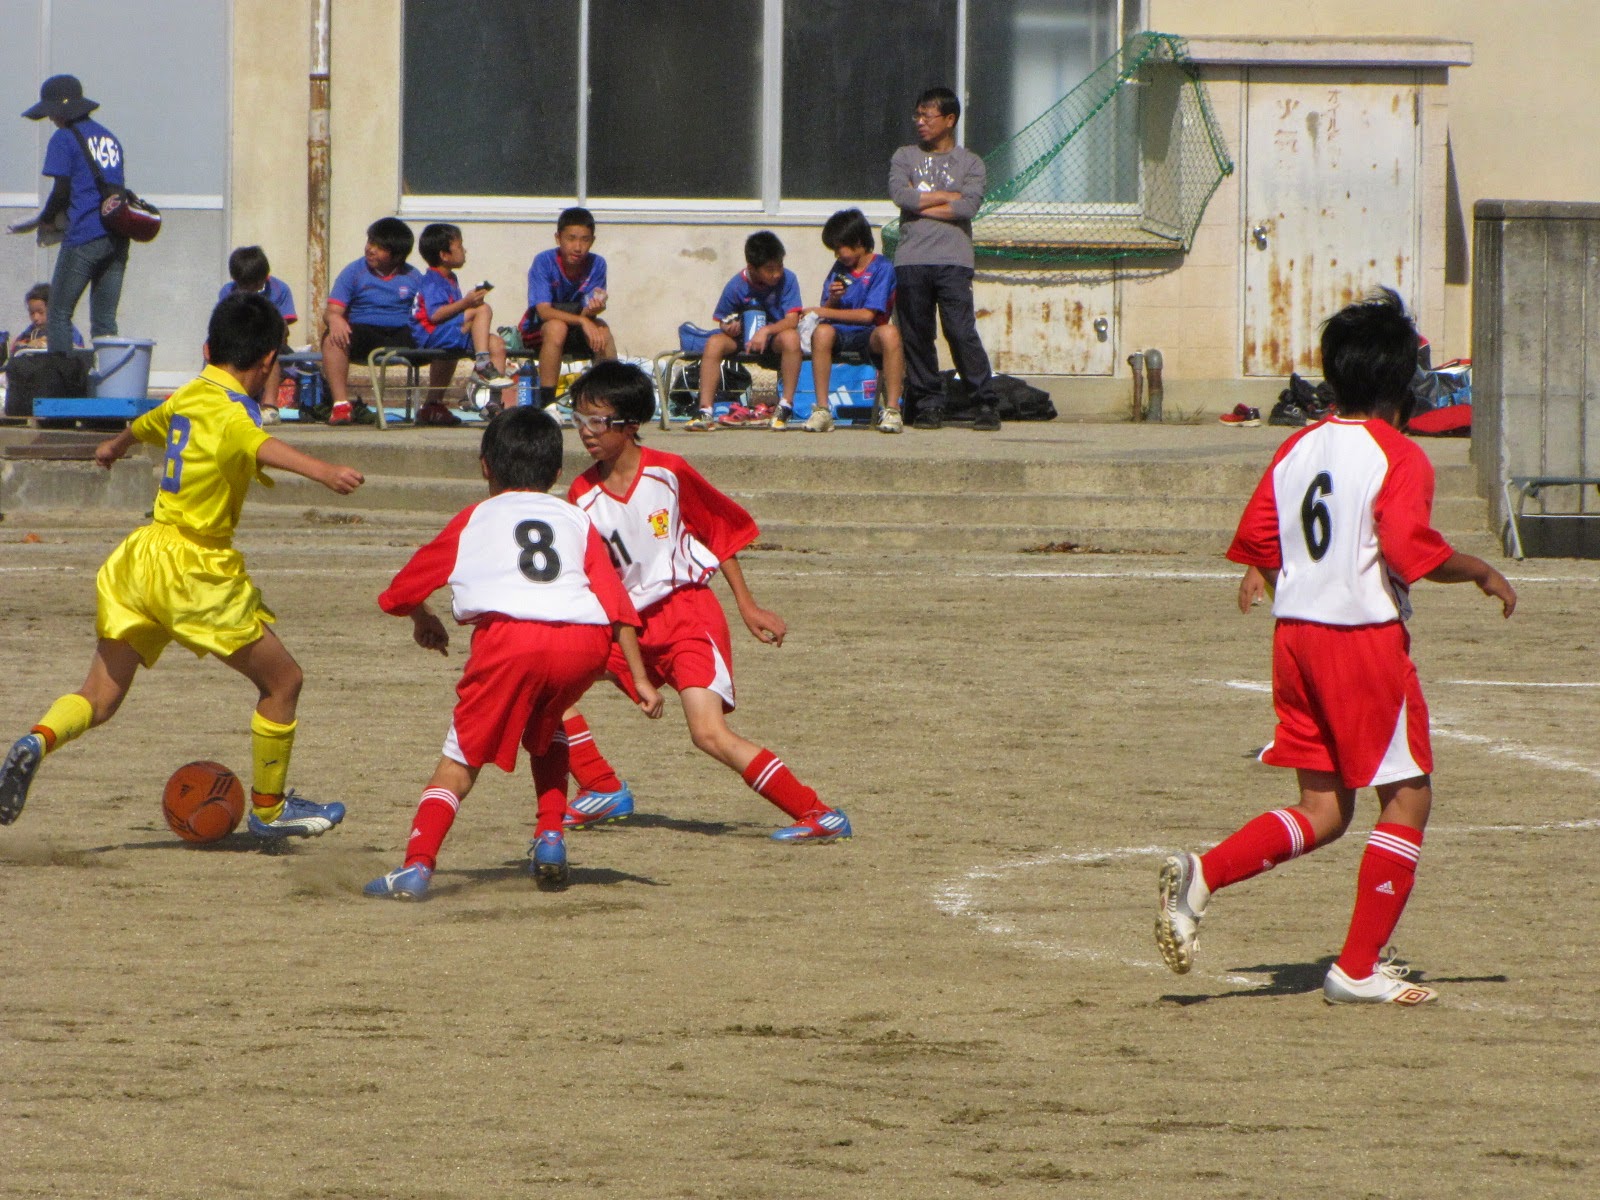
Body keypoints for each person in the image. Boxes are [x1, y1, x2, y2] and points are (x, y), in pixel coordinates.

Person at [1155, 290, 1517, 1006]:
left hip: (1295, 641)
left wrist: (1263, 575)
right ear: (1402, 381)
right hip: (1362, 642)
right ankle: (1356, 968)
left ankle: (1205, 875)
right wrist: (1478, 568)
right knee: (1407, 797)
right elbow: (1411, 548)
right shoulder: (1400, 455)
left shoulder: (1297, 445)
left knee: (1324, 810)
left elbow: (1260, 530)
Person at [0, 292, 363, 841]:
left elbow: (149, 420)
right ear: (268, 361)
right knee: (283, 681)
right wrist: (326, 471)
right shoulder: (234, 412)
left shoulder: (191, 392)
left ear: (208, 348)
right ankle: (268, 810)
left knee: (99, 696)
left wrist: (113, 447)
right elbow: (263, 445)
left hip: (142, 558)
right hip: (196, 570)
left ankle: (38, 739)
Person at [364, 407, 662, 899]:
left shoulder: (475, 518)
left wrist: (423, 617)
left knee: (459, 762)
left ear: (485, 466)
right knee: (549, 727)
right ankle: (550, 837)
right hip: (584, 643)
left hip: (511, 640)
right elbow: (616, 605)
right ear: (557, 473)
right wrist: (641, 680)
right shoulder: (575, 517)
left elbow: (396, 594)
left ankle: (416, 868)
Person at [557, 361, 851, 843]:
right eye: (579, 420)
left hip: (686, 614)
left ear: (630, 426)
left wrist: (747, 606)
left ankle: (817, 812)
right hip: (629, 625)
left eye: (597, 421)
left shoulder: (668, 472)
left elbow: (716, 533)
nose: (585, 433)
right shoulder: (581, 493)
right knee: (546, 691)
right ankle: (600, 786)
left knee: (708, 734)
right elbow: (600, 579)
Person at [888, 86, 1000, 432]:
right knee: (917, 333)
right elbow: (900, 196)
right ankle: (927, 403)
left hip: (954, 260)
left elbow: (968, 206)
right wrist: (945, 198)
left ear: (949, 120)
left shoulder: (970, 162)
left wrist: (922, 200)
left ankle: (983, 401)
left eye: (928, 116)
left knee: (959, 330)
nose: (920, 122)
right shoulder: (905, 156)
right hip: (911, 260)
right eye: (917, 115)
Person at [7, 76, 129, 354]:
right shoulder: (109, 137)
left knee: (59, 313)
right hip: (118, 237)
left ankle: (61, 385)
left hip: (85, 234)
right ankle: (108, 387)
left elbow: (62, 190)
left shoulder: (64, 138)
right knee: (105, 320)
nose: (50, 118)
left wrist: (46, 219)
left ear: (61, 110)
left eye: (50, 112)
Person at [791, 207, 904, 435]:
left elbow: (867, 316)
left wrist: (824, 310)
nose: (837, 255)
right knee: (822, 332)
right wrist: (832, 300)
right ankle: (822, 410)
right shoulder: (839, 269)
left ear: (859, 241)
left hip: (869, 334)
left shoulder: (882, 268)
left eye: (839, 248)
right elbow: (826, 314)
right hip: (840, 334)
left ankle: (892, 410)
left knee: (890, 333)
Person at [687, 231, 803, 431]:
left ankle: (785, 405)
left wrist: (766, 331)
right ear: (752, 268)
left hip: (774, 338)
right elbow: (723, 320)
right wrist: (729, 327)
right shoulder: (736, 285)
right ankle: (705, 410)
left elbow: (792, 320)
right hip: (742, 341)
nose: (776, 274)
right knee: (714, 342)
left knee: (791, 338)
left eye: (780, 267)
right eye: (770, 269)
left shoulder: (788, 280)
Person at [409, 222, 515, 426]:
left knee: (497, 344)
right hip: (432, 334)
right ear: (444, 255)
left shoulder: (450, 278)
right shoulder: (432, 280)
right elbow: (435, 315)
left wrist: (466, 306)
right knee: (482, 310)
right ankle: (483, 363)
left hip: (449, 331)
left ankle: (493, 403)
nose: (464, 250)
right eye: (460, 246)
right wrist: (467, 303)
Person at [320, 217, 422, 426]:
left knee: (446, 337)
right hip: (364, 332)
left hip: (402, 332)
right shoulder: (354, 272)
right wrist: (334, 320)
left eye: (379, 247)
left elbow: (428, 312)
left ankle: (433, 407)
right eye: (370, 242)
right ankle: (341, 405)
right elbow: (332, 311)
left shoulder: (413, 276)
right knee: (332, 338)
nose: (370, 249)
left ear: (398, 255)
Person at [518, 207, 615, 410]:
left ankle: (609, 398)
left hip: (577, 326)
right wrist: (582, 320)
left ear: (593, 241)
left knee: (603, 330)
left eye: (585, 240)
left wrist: (594, 310)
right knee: (557, 327)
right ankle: (547, 403)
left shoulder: (597, 264)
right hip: (540, 329)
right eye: (571, 239)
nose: (578, 247)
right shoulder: (544, 262)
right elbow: (544, 311)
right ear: (558, 238)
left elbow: (589, 309)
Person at [219, 247, 298, 425]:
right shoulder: (227, 292)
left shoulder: (280, 289)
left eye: (255, 286)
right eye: (244, 286)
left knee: (269, 352)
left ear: (265, 277)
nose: (250, 291)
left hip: (269, 341)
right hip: (239, 341)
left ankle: (269, 406)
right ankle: (220, 402)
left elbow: (284, 327)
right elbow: (224, 321)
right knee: (216, 351)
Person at [10, 283, 84, 355]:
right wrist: (27, 345)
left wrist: (45, 344)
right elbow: (15, 348)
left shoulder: (67, 330)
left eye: (41, 312)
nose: (35, 318)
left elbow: (76, 351)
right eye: (32, 313)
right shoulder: (31, 331)